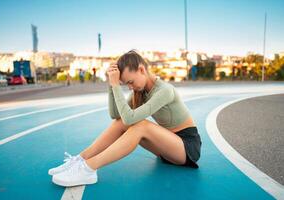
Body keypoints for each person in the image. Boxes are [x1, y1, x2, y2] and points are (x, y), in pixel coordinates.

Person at [49, 50, 202, 187]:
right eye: (126, 84)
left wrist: (116, 86)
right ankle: (80, 159)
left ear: (141, 69)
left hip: (186, 148)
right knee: (122, 122)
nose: (130, 87)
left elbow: (130, 119)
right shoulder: (141, 92)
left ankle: (89, 168)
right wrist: (111, 85)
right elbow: (116, 116)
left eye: (130, 82)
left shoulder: (165, 90)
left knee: (140, 125)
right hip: (166, 149)